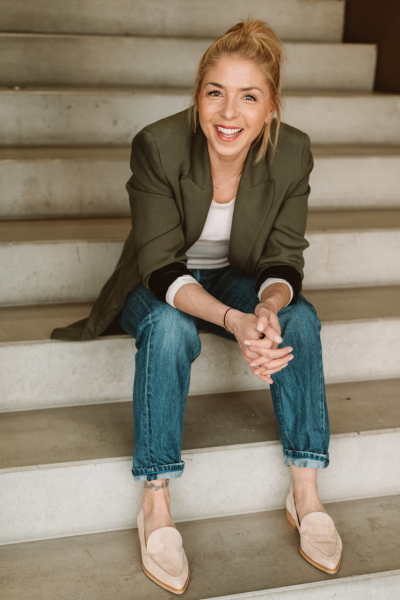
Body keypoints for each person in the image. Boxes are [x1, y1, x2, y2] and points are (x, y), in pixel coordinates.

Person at [51, 18, 342, 594]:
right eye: (215, 93)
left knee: (300, 318)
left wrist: (267, 309)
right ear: (197, 96)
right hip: (159, 282)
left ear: (271, 108)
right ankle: (155, 498)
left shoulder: (293, 153)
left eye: (248, 97)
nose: (228, 113)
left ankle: (305, 490)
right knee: (168, 328)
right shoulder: (158, 145)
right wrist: (235, 322)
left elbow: (284, 260)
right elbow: (162, 268)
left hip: (237, 277)